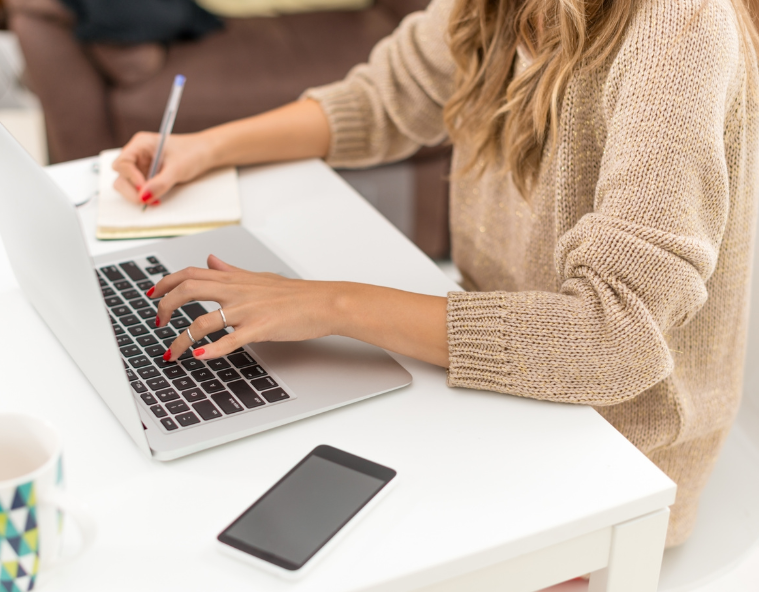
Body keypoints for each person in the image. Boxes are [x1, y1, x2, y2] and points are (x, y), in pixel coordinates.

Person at [111, 0, 759, 547]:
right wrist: (208, 147)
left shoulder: (681, 26)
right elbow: (382, 100)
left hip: (610, 452)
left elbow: (613, 338)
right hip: (491, 383)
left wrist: (331, 306)